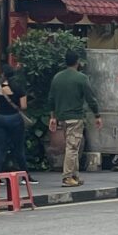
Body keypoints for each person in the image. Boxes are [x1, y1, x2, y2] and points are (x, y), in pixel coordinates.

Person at [47, 50, 101, 188]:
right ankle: (67, 177)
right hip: (75, 117)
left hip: (61, 117)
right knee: (72, 147)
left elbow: (51, 99)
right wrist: (97, 115)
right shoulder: (81, 78)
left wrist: (52, 117)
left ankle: (75, 175)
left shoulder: (57, 77)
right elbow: (91, 98)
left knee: (72, 146)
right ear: (77, 62)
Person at [0, 63, 36, 182]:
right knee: (19, 148)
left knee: (0, 148)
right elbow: (23, 105)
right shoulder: (18, 87)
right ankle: (25, 176)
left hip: (0, 118)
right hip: (15, 119)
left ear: (3, 74)